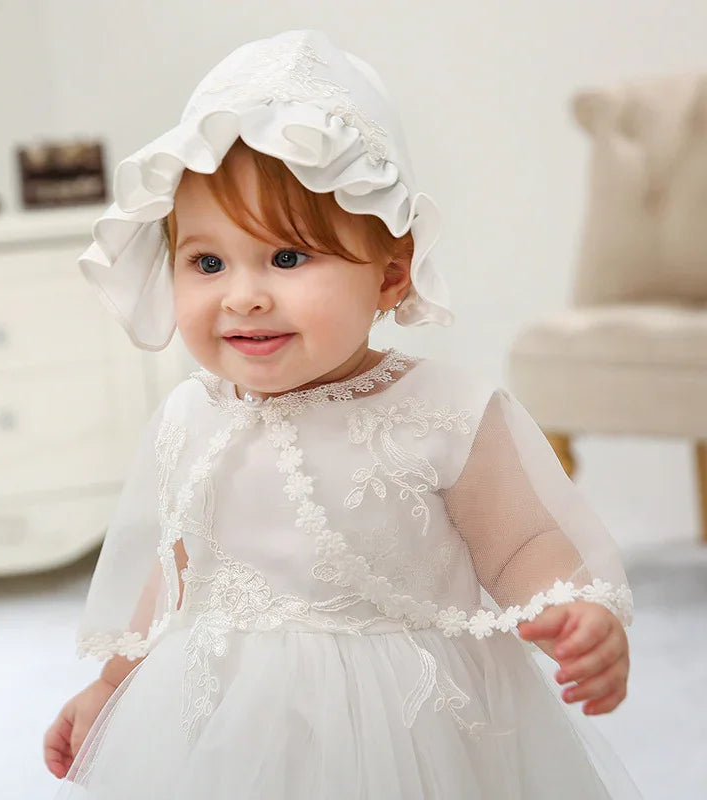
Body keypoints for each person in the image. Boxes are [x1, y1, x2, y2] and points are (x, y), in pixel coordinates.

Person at [43, 29, 640, 798]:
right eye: (207, 262)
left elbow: (524, 539)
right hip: (222, 715)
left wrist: (576, 606)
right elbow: (177, 573)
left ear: (390, 274)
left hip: (408, 718)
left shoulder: (440, 410)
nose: (243, 294)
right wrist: (111, 686)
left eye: (288, 258)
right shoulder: (192, 414)